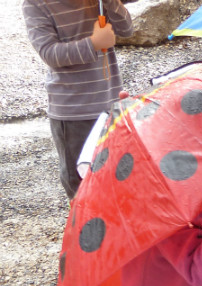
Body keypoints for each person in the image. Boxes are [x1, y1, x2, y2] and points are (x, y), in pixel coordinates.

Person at [23, 0, 133, 201]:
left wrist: (111, 3)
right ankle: (86, 228)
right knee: (81, 183)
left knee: (117, 174)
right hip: (73, 111)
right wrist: (93, 44)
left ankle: (116, 227)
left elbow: (126, 29)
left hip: (110, 102)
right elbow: (49, 53)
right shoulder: (35, 4)